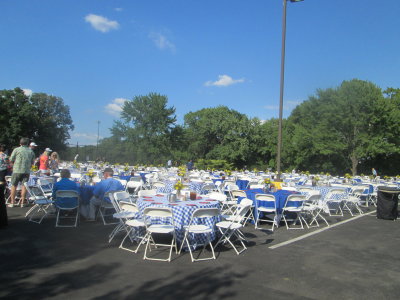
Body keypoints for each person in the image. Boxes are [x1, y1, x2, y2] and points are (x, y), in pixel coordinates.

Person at [9, 137, 35, 207]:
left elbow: (11, 159)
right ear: (27, 144)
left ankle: (12, 202)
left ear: (20, 143)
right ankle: (23, 202)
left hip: (17, 170)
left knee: (14, 185)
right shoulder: (31, 151)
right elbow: (33, 162)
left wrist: (13, 164)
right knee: (24, 186)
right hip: (26, 171)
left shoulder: (16, 149)